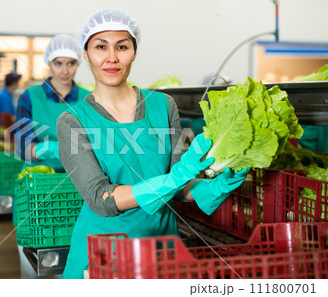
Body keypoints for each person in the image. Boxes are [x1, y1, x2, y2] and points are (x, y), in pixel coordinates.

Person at [56, 8, 249, 279]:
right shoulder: (72, 120)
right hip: (103, 254)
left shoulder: (163, 105)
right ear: (86, 54)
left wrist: (216, 185)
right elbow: (101, 199)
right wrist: (175, 179)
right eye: (101, 47)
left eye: (122, 46)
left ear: (134, 52)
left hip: (162, 248)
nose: (112, 57)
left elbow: (182, 188)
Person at [14, 34, 91, 278]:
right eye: (58, 63)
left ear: (78, 64)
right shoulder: (30, 97)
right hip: (37, 186)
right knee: (32, 267)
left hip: (76, 187)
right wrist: (47, 150)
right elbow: (22, 146)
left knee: (69, 263)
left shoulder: (88, 98)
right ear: (49, 63)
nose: (65, 70)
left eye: (71, 63)